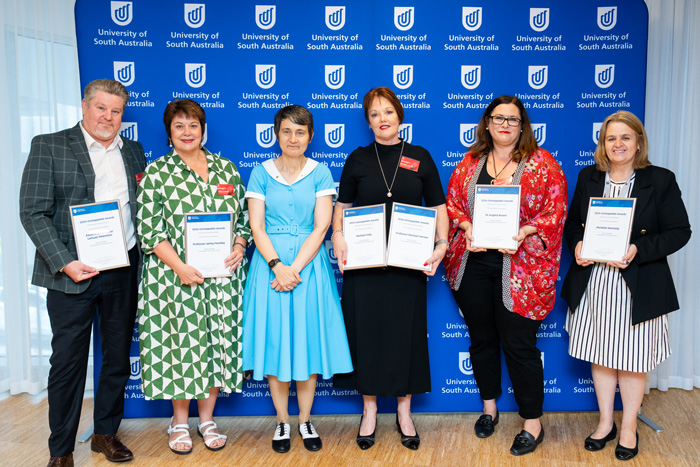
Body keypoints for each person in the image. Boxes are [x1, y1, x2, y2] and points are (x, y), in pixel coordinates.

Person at [19, 79, 146, 467]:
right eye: (101, 108)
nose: (108, 117)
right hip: (71, 274)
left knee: (117, 360)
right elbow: (33, 212)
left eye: (116, 111)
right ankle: (61, 451)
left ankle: (105, 433)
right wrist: (65, 261)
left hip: (122, 270)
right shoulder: (50, 144)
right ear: (85, 106)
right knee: (68, 364)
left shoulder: (134, 152)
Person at [562, 111, 691, 461]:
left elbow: (680, 232)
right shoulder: (589, 177)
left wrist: (638, 249)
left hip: (639, 284)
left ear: (638, 142)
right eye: (610, 138)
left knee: (634, 360)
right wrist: (576, 246)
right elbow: (573, 225)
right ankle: (605, 423)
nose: (617, 144)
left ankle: (630, 425)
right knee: (602, 355)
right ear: (603, 144)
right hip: (596, 282)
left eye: (625, 138)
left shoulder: (660, 180)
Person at [444, 95, 568, 456]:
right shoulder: (470, 162)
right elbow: (453, 205)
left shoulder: (543, 164)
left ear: (522, 125)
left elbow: (555, 211)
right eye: (498, 118)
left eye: (512, 120)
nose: (504, 125)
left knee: (519, 346)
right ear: (486, 123)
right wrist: (466, 226)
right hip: (474, 265)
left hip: (522, 269)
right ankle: (489, 409)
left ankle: (532, 422)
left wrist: (527, 232)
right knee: (482, 339)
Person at [332, 86, 449, 451]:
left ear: (400, 116)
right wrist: (337, 234)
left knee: (405, 335)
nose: (382, 119)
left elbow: (437, 207)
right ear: (367, 122)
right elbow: (344, 206)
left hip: (407, 266)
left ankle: (403, 412)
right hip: (364, 268)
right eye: (374, 114)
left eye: (388, 112)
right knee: (365, 335)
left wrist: (441, 244)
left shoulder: (420, 156)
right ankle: (369, 411)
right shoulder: (357, 159)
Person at [137, 99, 251, 455]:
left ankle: (207, 420)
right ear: (169, 133)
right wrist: (180, 267)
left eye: (193, 125)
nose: (187, 132)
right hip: (175, 278)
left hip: (222, 279)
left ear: (204, 129)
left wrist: (239, 244)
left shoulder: (226, 170)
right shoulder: (157, 174)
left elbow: (244, 220)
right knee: (182, 348)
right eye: (179, 126)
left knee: (216, 345)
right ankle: (179, 422)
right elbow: (150, 231)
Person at [242, 105, 353, 454]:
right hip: (268, 267)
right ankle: (282, 421)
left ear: (310, 136)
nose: (293, 138)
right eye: (287, 131)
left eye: (300, 132)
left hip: (309, 268)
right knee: (275, 345)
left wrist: (296, 268)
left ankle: (305, 419)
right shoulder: (260, 173)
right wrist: (277, 265)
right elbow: (256, 226)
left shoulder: (320, 172)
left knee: (306, 345)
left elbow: (322, 226)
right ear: (276, 134)